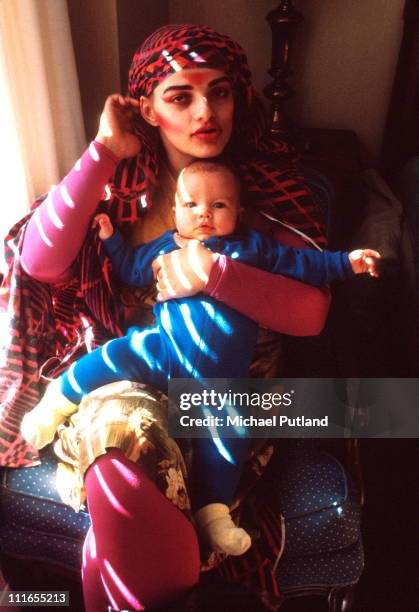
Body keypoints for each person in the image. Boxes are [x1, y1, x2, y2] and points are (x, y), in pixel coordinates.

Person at [1, 23, 337, 611]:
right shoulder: (120, 191)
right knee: (120, 434)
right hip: (134, 375)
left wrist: (218, 276)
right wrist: (104, 150)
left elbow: (311, 314)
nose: (206, 111)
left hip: (236, 389)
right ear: (149, 110)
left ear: (240, 98)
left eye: (221, 92)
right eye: (180, 96)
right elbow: (40, 261)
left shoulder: (269, 188)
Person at [21, 159, 379, 556]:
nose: (204, 213)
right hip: (162, 350)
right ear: (175, 212)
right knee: (111, 357)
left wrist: (347, 262)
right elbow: (129, 269)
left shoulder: (252, 247)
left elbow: (305, 264)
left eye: (219, 206)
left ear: (239, 213)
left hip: (218, 378)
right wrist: (110, 239)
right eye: (192, 205)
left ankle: (214, 514)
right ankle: (54, 404)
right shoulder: (165, 245)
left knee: (230, 435)